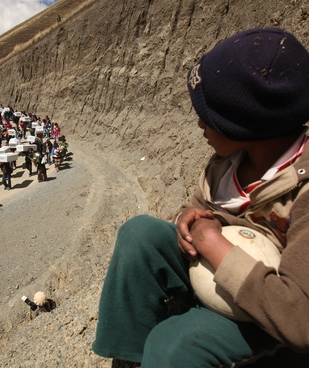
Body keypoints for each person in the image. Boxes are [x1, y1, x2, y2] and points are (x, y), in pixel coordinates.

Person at [92, 28, 309, 367]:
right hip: (214, 273)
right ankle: (127, 357)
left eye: (210, 116)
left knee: (172, 347)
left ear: (246, 122)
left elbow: (301, 319)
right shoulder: (227, 163)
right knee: (139, 235)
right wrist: (186, 220)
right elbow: (197, 208)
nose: (198, 124)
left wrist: (215, 247)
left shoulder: (303, 193)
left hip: (262, 312)